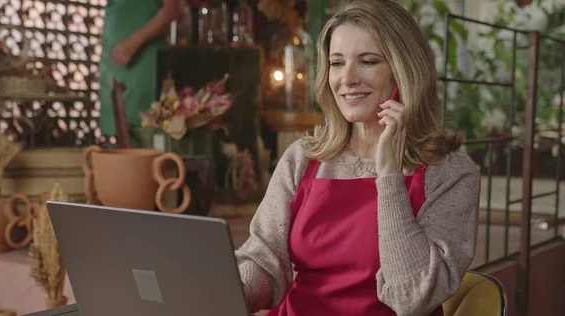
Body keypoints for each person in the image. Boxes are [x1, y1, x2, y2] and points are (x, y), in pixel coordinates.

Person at [234, 1, 481, 315]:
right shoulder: (303, 158)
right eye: (337, 63)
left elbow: (413, 297)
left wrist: (389, 176)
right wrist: (238, 292)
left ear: (404, 72)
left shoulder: (451, 174)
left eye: (367, 61)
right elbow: (264, 260)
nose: (347, 79)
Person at [99, 0, 181, 138]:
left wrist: (133, 43)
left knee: (141, 137)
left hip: (141, 59)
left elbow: (171, 10)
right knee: (114, 138)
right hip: (112, 62)